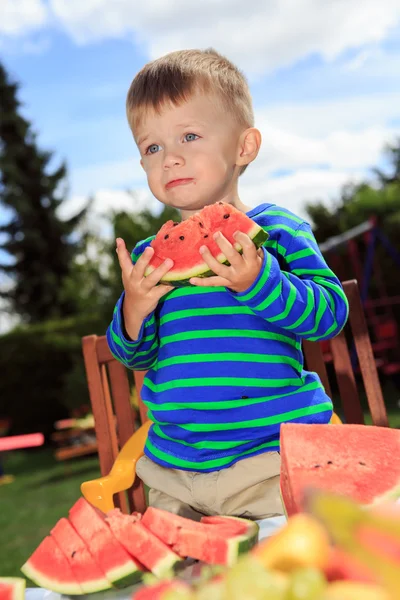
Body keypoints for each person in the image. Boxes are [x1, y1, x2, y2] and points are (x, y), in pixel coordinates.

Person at [107, 48, 349, 521]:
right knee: (181, 583)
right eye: (152, 148)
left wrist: (261, 282)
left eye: (189, 136)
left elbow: (329, 315)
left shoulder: (278, 231)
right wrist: (133, 310)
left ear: (244, 147)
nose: (170, 159)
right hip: (176, 469)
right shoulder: (148, 257)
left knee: (286, 568)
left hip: (270, 458)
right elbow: (134, 354)